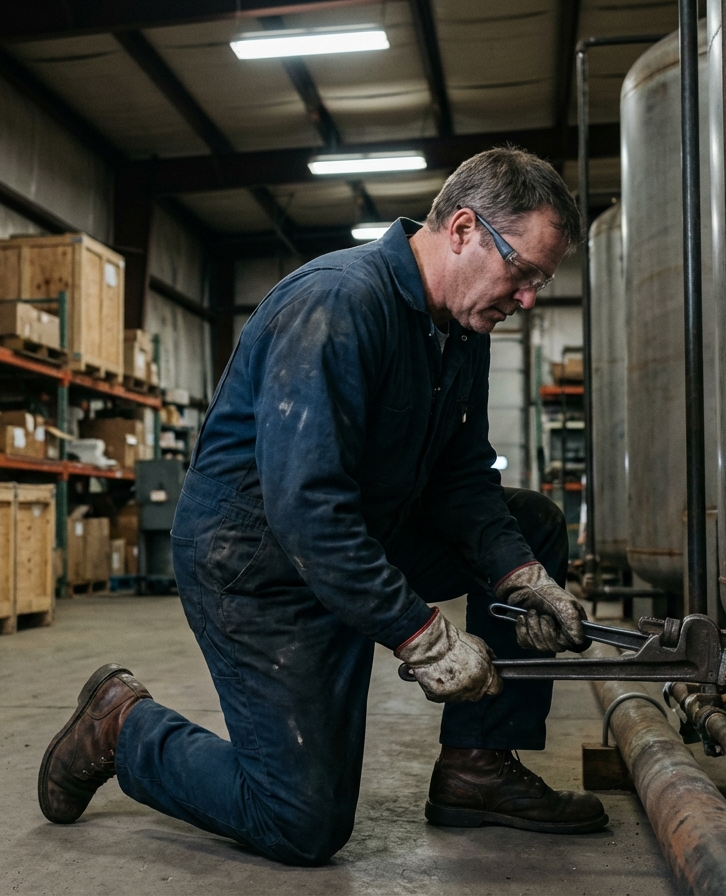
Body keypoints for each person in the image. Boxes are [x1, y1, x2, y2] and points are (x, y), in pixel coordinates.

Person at [38, 147, 607, 865]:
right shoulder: (337, 303)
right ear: (463, 228)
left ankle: (477, 769)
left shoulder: (461, 327)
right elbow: (308, 509)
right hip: (259, 564)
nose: (527, 297)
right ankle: (122, 728)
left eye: (539, 281)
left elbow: (463, 475)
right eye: (522, 272)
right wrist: (421, 634)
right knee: (301, 822)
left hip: (358, 537)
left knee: (528, 526)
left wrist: (519, 576)